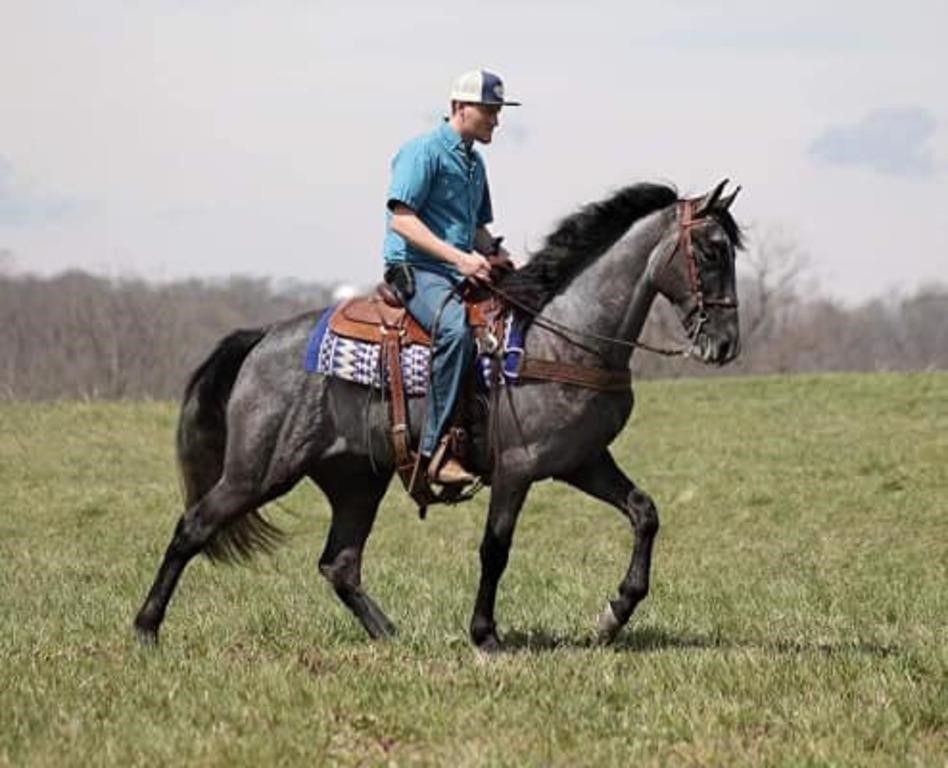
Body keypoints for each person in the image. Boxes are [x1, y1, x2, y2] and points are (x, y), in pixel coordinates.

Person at [382, 69, 520, 484]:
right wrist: (460, 260)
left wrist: (502, 256)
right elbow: (401, 221)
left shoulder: (475, 163)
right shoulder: (421, 152)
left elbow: (476, 230)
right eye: (490, 110)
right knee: (455, 332)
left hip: (457, 269)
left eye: (498, 111)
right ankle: (433, 454)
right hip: (414, 269)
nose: (497, 119)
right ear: (460, 108)